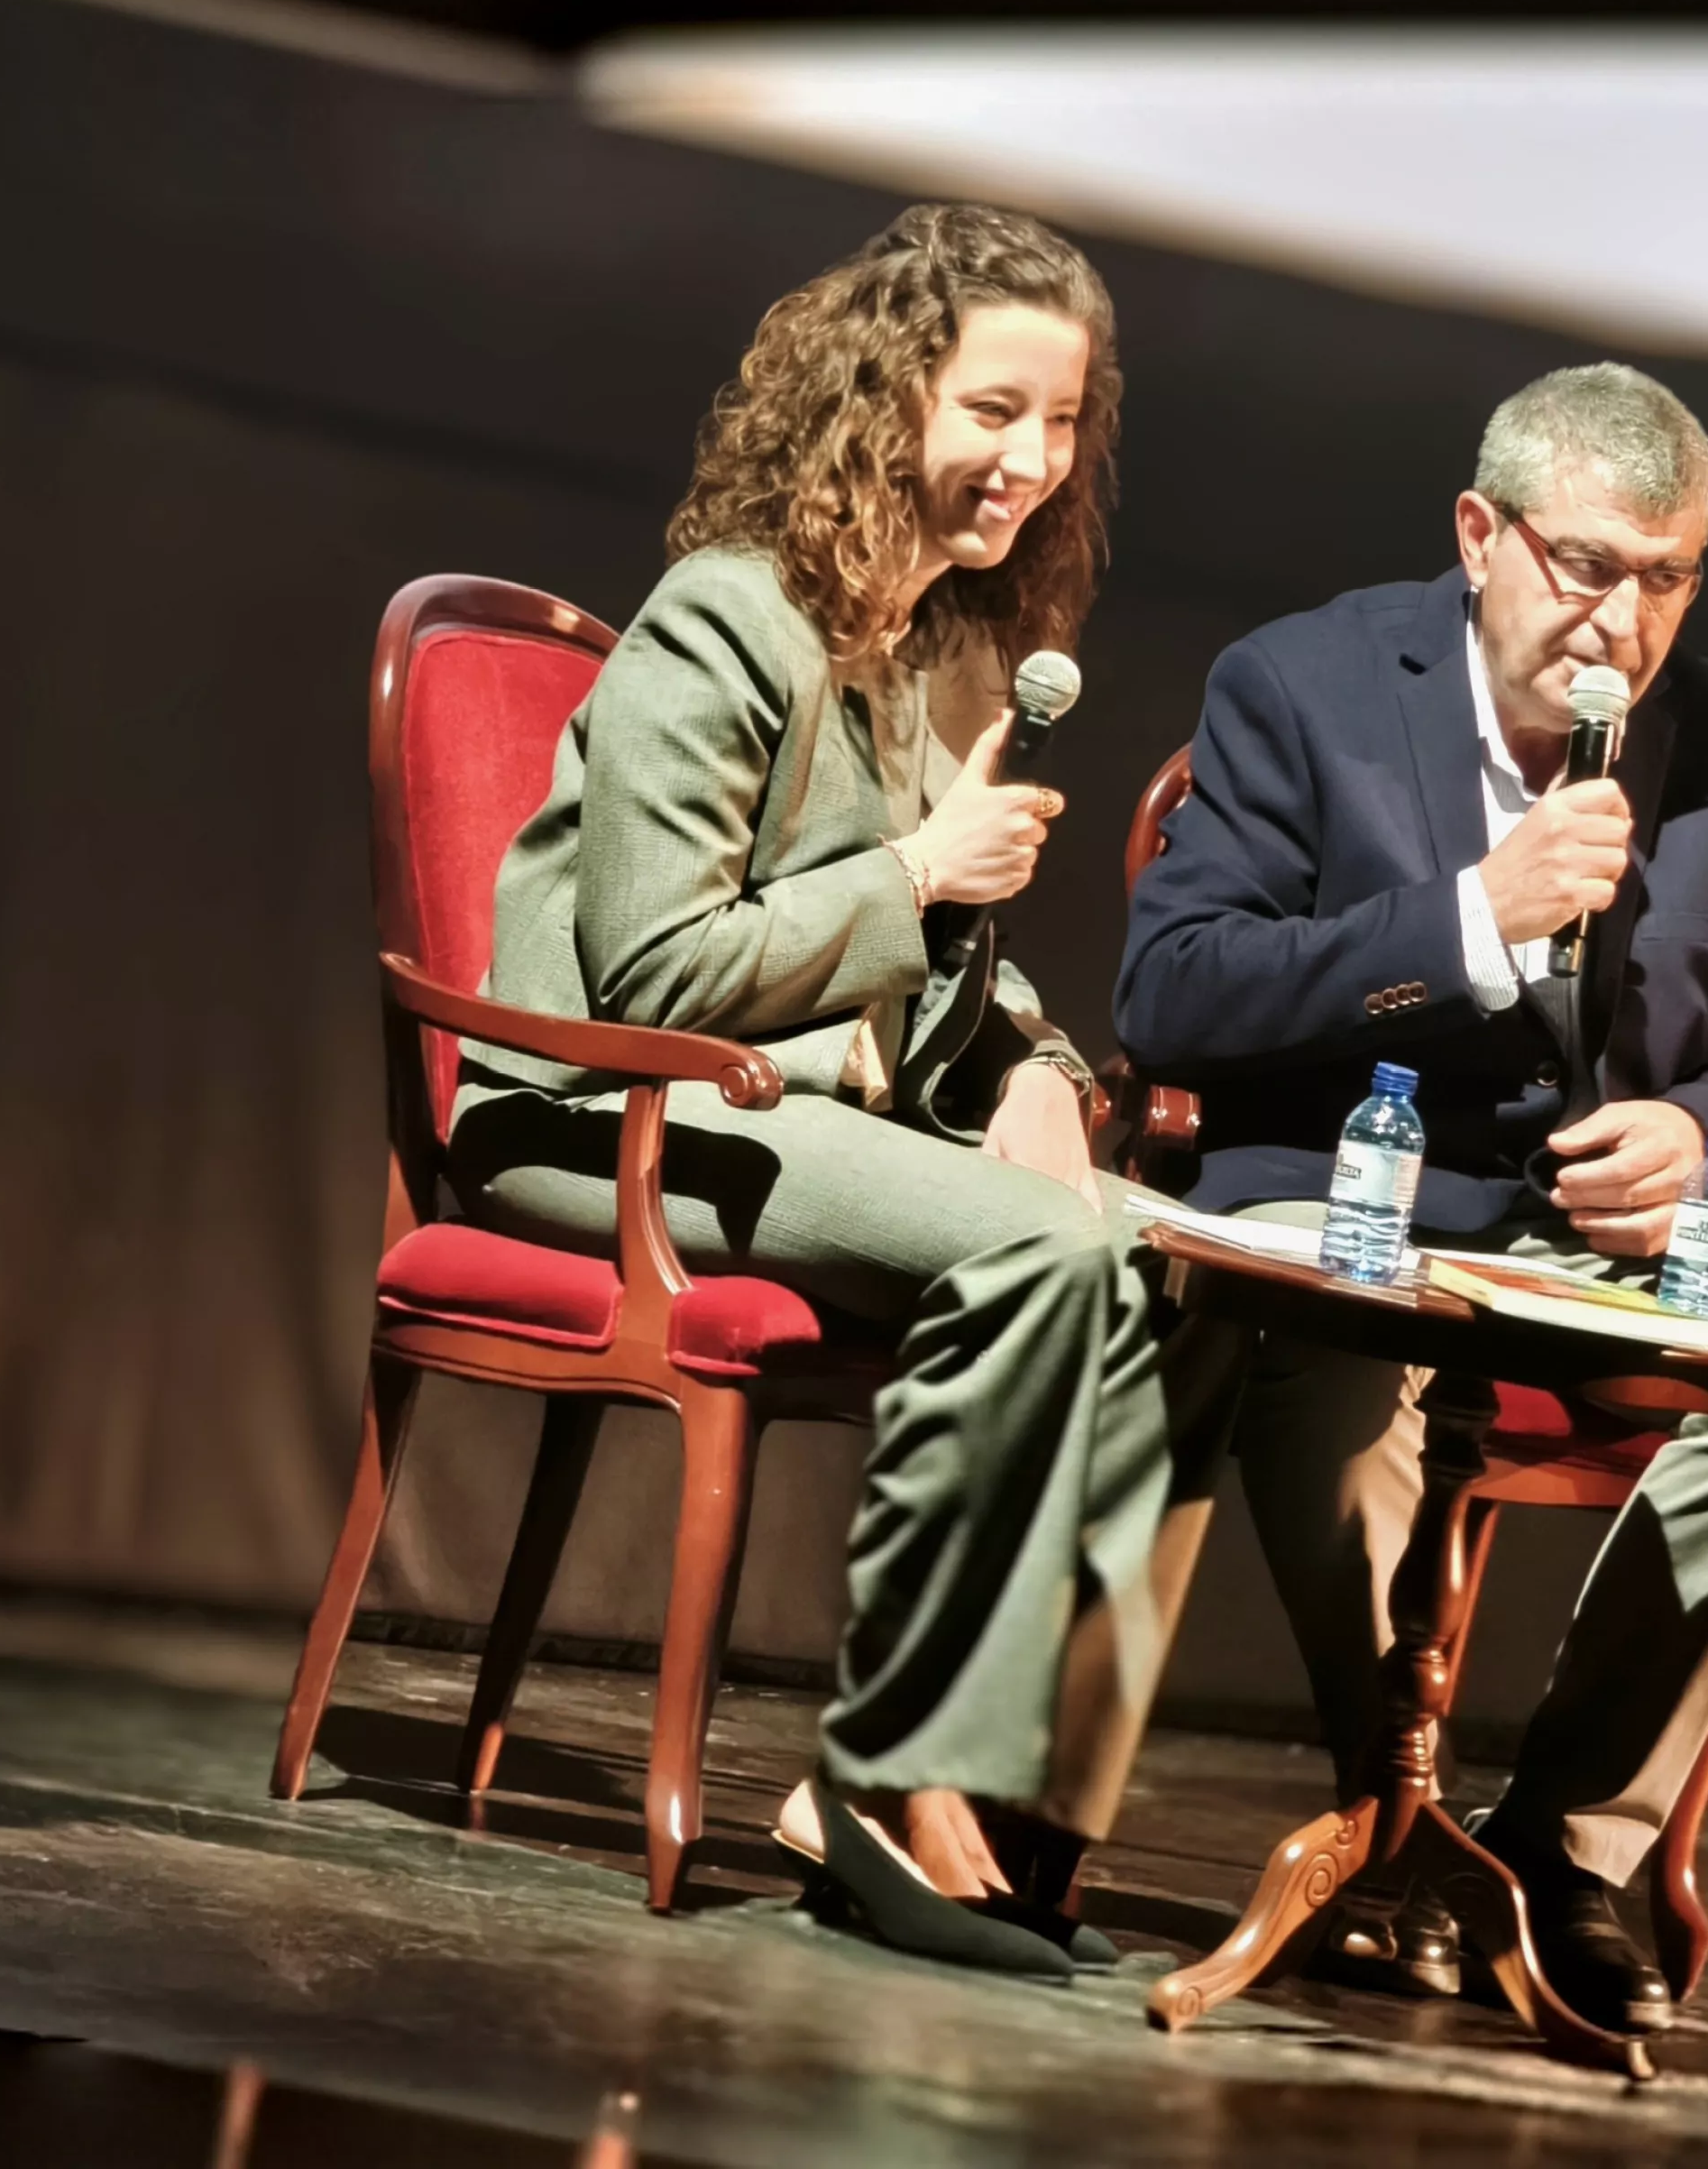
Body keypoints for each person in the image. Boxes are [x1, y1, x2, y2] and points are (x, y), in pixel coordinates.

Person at [446, 204, 1233, 1979]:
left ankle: (1015, 1804)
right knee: (1037, 1258)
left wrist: (1028, 1061)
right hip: (601, 1116)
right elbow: (652, 974)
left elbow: (927, 972)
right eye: (991, 411)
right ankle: (878, 1779)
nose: (1030, 463)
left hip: (784, 1113)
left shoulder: (939, 645)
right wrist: (924, 878)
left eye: (1063, 424)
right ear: (884, 400)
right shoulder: (724, 622)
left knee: (1173, 1265)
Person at [1113, 363, 1708, 2033]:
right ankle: (1387, 1810)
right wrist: (1470, 918)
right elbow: (1172, 993)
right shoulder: (1302, 683)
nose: (1622, 619)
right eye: (1586, 566)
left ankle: (1564, 1842)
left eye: (1666, 579)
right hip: (1347, 1195)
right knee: (1328, 1360)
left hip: (1597, 1234)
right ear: (1481, 534)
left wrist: (1703, 1142)